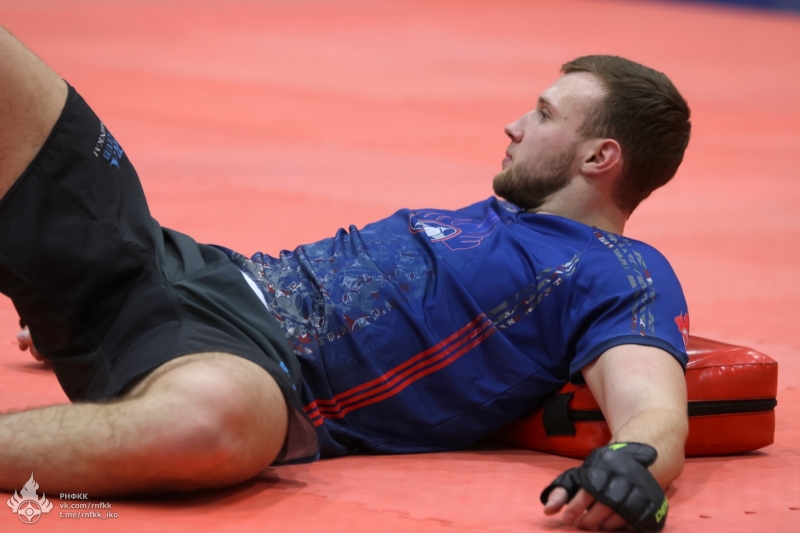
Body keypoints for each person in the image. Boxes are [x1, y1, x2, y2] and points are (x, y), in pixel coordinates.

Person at [1, 24, 691, 532]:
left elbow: (654, 412)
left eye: (542, 115)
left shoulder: (620, 272)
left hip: (247, 365)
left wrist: (635, 465)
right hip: (172, 263)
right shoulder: (499, 217)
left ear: (599, 157)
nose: (513, 126)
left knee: (211, 423)